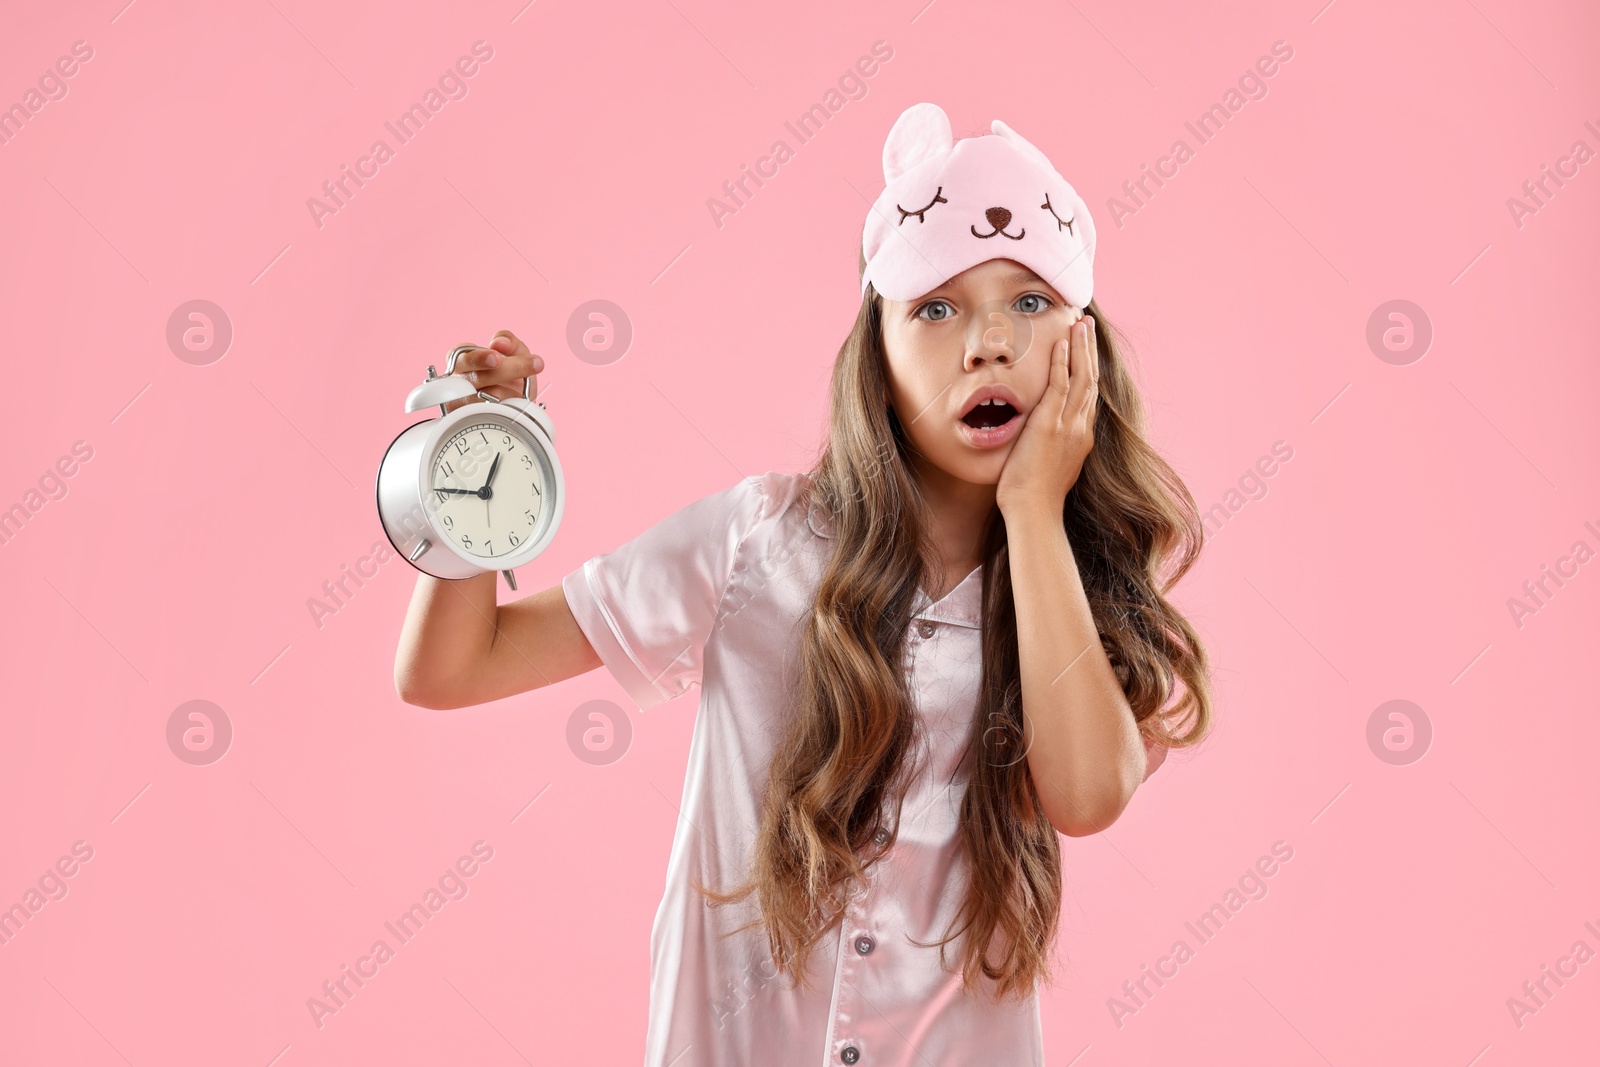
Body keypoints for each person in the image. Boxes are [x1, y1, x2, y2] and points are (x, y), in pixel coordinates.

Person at [394, 101, 1212, 1066]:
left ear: (1082, 349)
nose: (987, 342)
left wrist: (1035, 515)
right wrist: (475, 461)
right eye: (936, 308)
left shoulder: (1070, 602)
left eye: (1028, 302)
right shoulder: (757, 542)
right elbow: (451, 667)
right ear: (880, 350)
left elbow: (1084, 795)